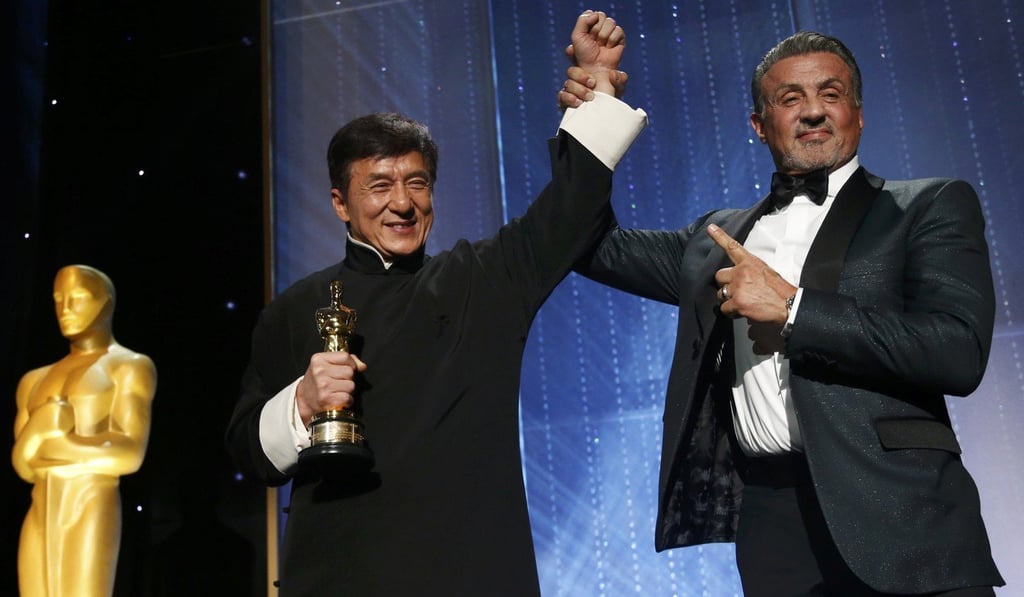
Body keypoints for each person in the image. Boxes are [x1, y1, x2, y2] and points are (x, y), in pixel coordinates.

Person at [560, 28, 1004, 596]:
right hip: (775, 524)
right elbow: (587, 243)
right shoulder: (715, 239)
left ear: (858, 115)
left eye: (832, 93)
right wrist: (596, 109)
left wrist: (795, 310)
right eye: (791, 99)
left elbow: (957, 350)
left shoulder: (927, 207)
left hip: (904, 517)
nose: (814, 111)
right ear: (759, 125)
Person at [224, 11, 646, 596]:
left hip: (471, 572)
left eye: (416, 183)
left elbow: (569, 213)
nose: (402, 203)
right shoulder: (294, 311)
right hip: (340, 577)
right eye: (379, 185)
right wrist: (300, 401)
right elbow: (249, 453)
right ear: (340, 203)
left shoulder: (484, 279)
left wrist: (595, 89)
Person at [12, 264, 157, 597]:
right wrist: (40, 427)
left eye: (77, 298)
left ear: (105, 301)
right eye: (58, 299)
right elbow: (22, 464)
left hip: (90, 499)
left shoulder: (128, 366)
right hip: (40, 504)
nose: (65, 309)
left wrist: (57, 442)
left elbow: (130, 454)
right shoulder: (34, 380)